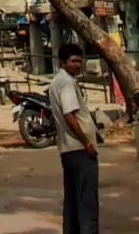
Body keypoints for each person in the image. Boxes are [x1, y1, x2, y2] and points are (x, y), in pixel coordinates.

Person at [48, 43, 99, 234]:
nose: (78, 65)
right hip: (79, 150)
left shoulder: (57, 82)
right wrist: (87, 142)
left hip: (68, 151)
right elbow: (70, 116)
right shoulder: (66, 83)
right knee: (86, 203)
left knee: (72, 201)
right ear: (63, 62)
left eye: (80, 61)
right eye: (73, 61)